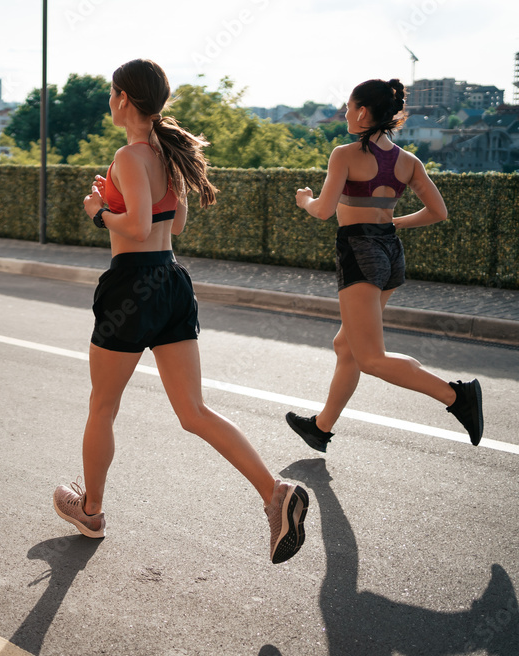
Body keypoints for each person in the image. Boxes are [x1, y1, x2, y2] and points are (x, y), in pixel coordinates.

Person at [52, 59, 309, 565]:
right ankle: (274, 493)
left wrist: (99, 210)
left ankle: (93, 511)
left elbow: (137, 224)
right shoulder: (170, 154)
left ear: (125, 99)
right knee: (194, 411)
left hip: (132, 285)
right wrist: (122, 204)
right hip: (172, 280)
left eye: (111, 93)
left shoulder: (129, 155)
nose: (109, 101)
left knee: (103, 407)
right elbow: (177, 222)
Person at [286, 78, 483, 452]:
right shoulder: (408, 162)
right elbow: (438, 212)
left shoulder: (344, 154)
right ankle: (320, 427)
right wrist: (394, 223)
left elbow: (325, 210)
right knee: (347, 346)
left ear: (362, 112)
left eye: (348, 107)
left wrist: (304, 200)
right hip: (390, 254)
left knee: (370, 357)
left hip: (359, 252)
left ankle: (457, 397)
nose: (345, 113)